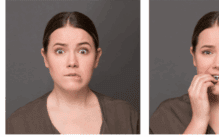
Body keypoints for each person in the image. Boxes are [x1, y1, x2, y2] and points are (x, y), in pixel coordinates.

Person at [7, 12, 138, 134]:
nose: (72, 62)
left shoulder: (125, 115)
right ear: (45, 58)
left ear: (97, 58)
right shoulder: (18, 124)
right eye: (60, 51)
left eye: (83, 51)